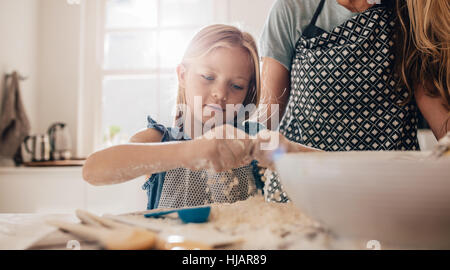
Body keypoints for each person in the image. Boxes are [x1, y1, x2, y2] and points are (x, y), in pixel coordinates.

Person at [257, 0, 450, 202]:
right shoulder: (292, 8)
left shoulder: (410, 13)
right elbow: (267, 115)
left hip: (388, 195)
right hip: (305, 191)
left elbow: (438, 113)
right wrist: (234, 136)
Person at [83, 25, 271, 209]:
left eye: (237, 86)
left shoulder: (252, 140)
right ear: (182, 75)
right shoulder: (157, 139)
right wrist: (190, 151)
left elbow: (290, 163)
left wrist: (287, 151)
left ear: (248, 93)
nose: (221, 93)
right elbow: (92, 170)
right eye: (207, 77)